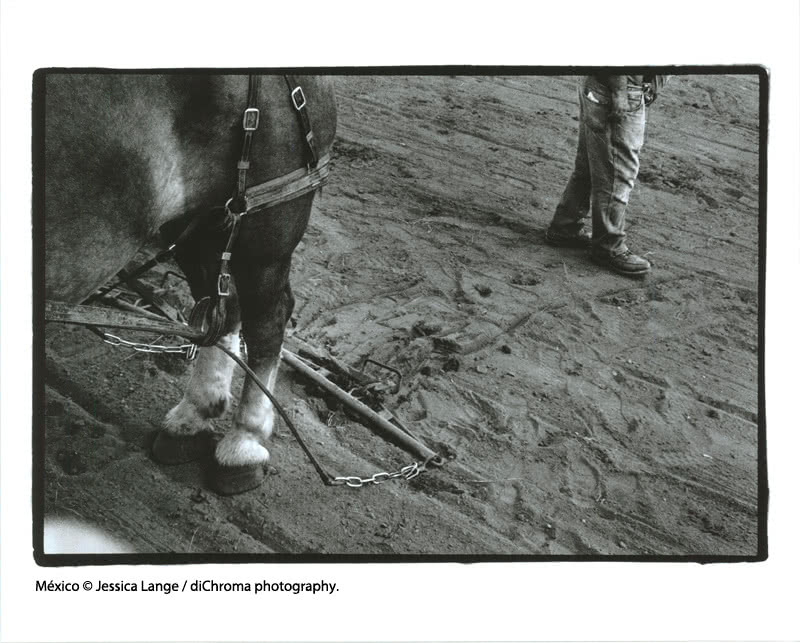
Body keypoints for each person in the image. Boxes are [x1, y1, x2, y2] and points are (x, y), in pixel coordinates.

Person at [545, 73, 668, 277]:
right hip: (617, 85)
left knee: (591, 162)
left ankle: (565, 226)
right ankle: (608, 246)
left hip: (604, 83)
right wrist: (620, 91)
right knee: (617, 172)